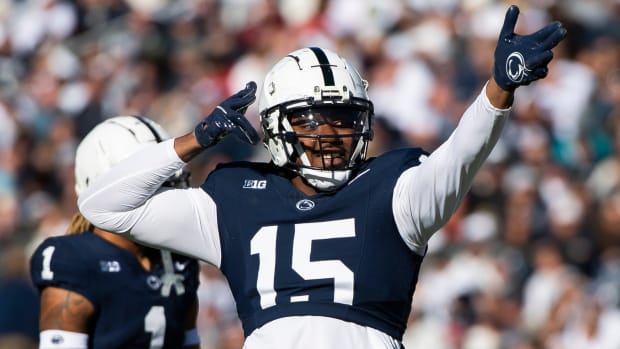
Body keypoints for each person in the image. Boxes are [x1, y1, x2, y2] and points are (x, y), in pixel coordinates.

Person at [78, 5, 566, 349]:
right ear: (274, 127)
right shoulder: (234, 200)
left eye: (345, 119)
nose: (331, 134)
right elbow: (103, 206)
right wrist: (195, 139)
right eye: (311, 120)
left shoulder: (396, 190)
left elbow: (461, 156)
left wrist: (498, 91)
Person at [30, 116, 201, 349]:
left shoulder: (179, 256)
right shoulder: (74, 258)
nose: (167, 197)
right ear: (107, 188)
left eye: (170, 184)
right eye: (153, 186)